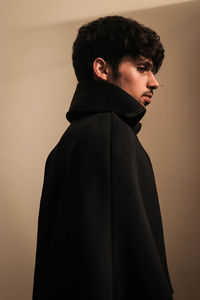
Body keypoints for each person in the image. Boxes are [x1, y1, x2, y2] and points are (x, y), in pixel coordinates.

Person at [32, 16, 174, 300]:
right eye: (142, 68)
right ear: (101, 69)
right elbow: (113, 266)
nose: (154, 83)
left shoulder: (73, 140)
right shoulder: (109, 135)